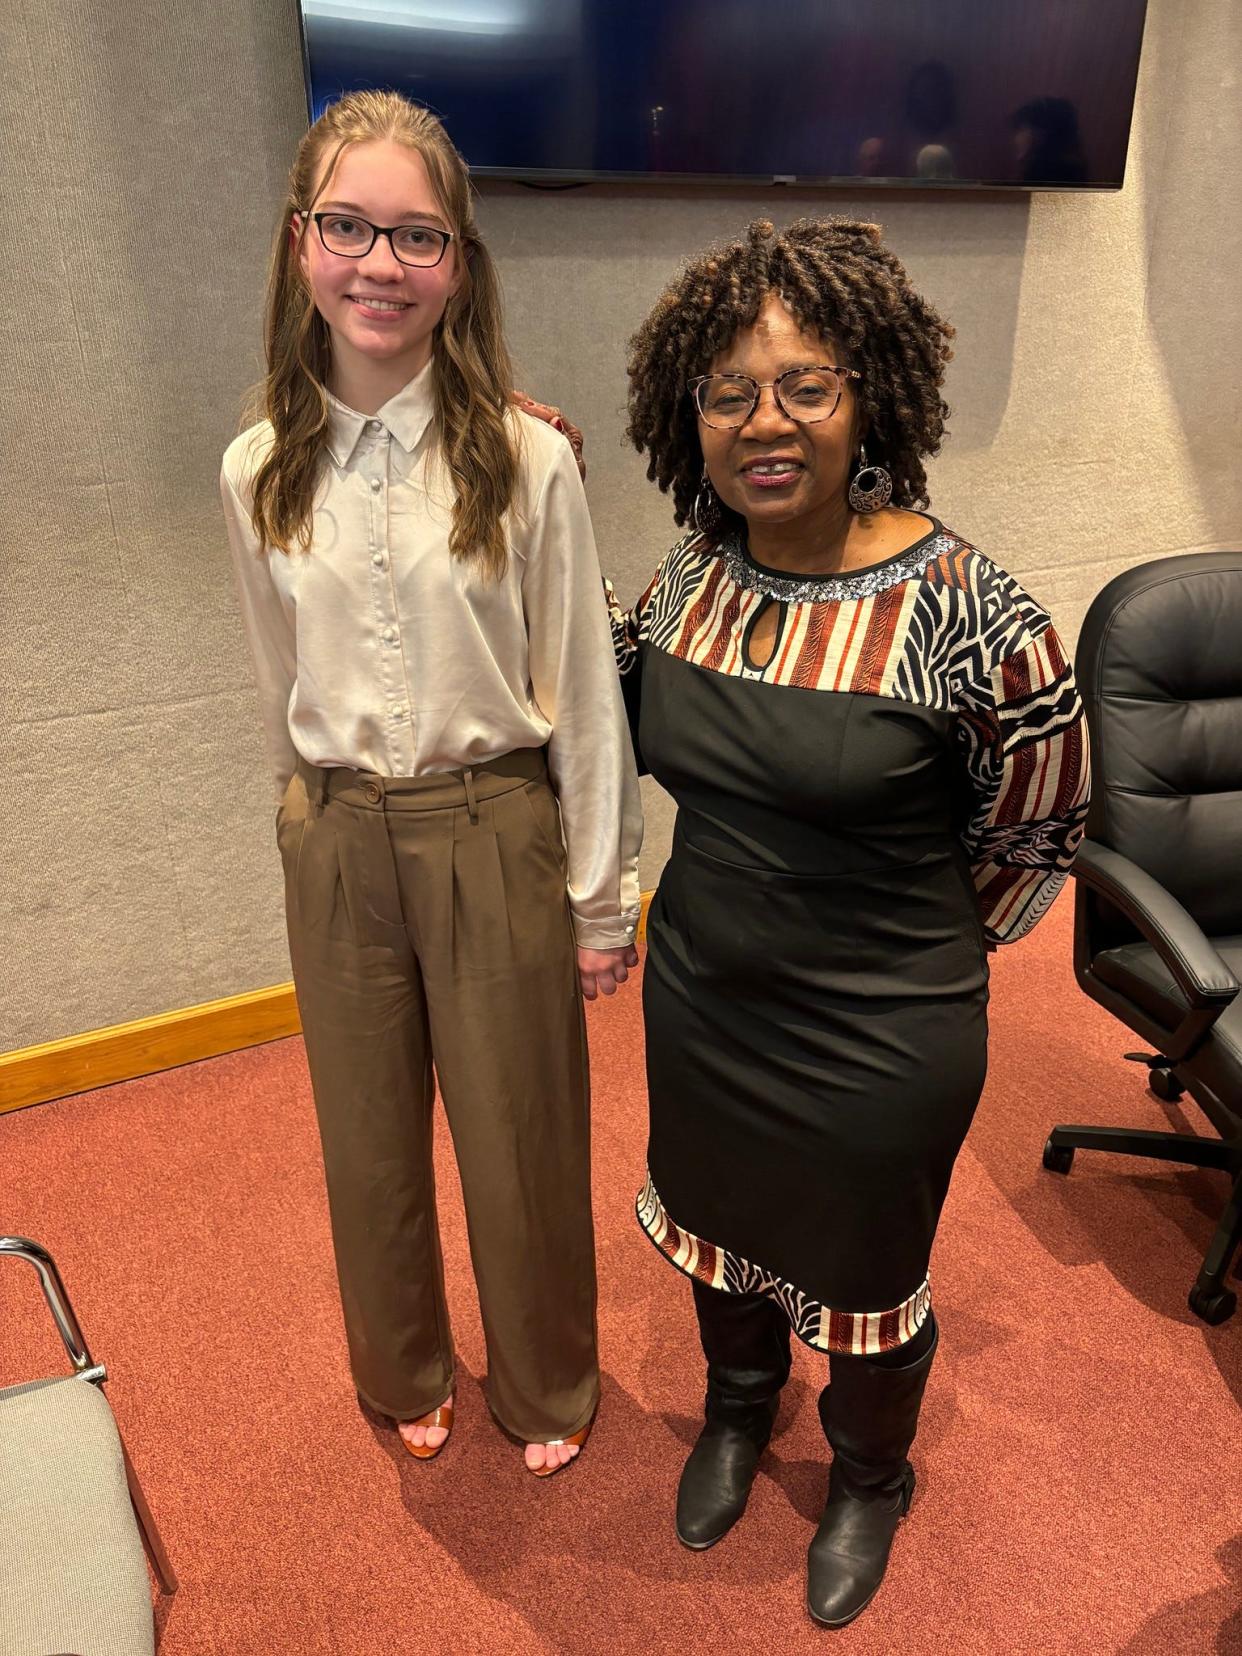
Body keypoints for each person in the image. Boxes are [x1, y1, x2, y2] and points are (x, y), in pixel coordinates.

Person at [612, 217, 1089, 1623]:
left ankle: (869, 1474)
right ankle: (738, 1409)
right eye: (726, 390)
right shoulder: (686, 582)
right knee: (714, 1222)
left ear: (868, 396)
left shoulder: (968, 608)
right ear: (683, 415)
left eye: (805, 385)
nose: (764, 422)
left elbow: (1040, 825)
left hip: (880, 1025)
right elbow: (604, 715)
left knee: (869, 1269)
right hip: (701, 991)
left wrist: (916, 959)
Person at [220, 91, 642, 1477]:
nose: (377, 265)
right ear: (300, 245)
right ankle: (397, 1364)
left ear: (457, 262)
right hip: (338, 835)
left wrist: (599, 901)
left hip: (492, 828)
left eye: (415, 235)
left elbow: (582, 690)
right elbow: (278, 670)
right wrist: (312, 825)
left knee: (521, 1138)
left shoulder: (526, 457)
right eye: (347, 227)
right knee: (367, 1144)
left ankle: (546, 1380)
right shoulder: (256, 468)